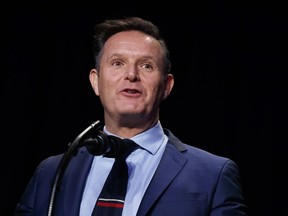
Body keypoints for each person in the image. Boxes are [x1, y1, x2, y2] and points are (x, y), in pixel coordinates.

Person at [14, 16, 248, 216]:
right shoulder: (51, 172)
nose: (131, 75)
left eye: (146, 66)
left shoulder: (213, 175)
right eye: (117, 63)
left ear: (166, 86)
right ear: (96, 81)